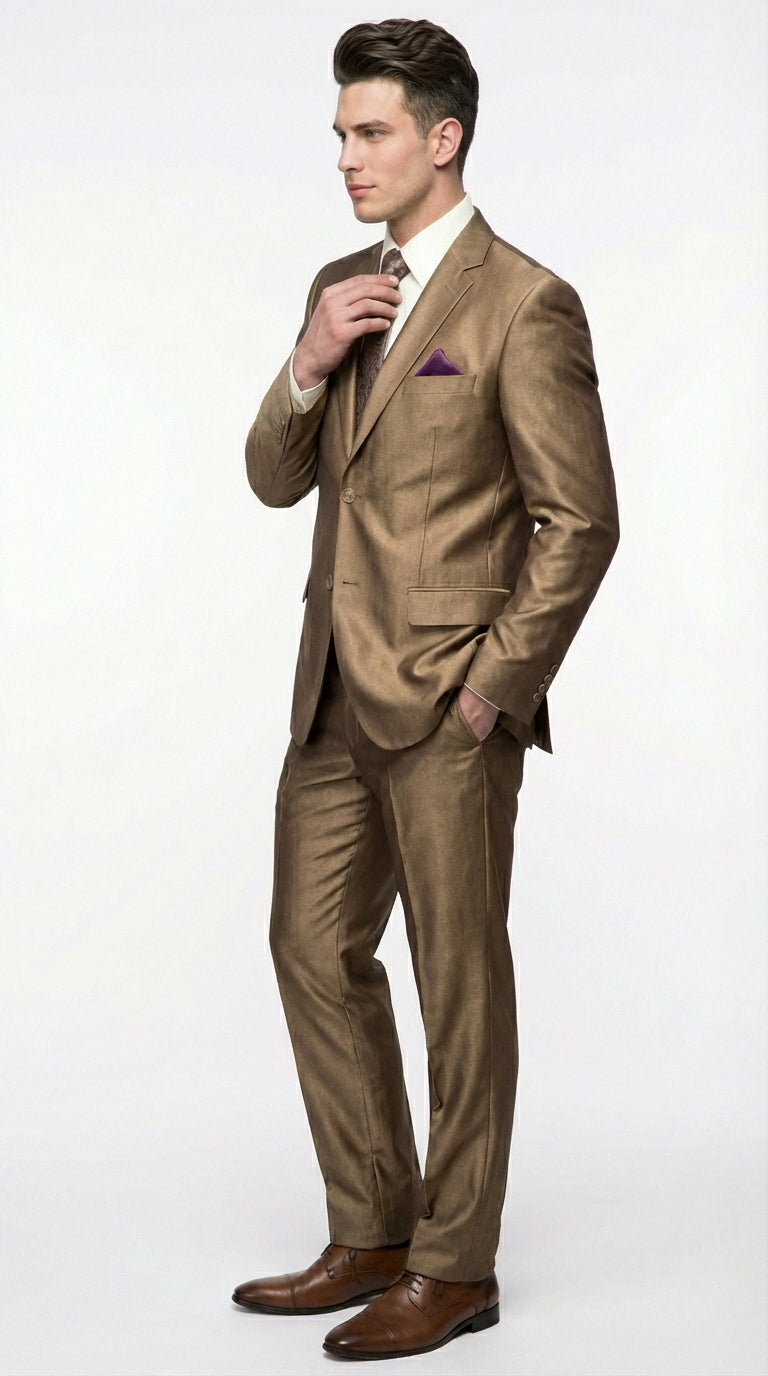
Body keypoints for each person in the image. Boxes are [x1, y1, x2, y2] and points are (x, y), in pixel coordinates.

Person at [232, 17, 619, 1361]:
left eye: (372, 132)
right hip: (333, 691)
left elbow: (581, 522)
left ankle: (456, 1268)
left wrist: (492, 692)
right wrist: (307, 361)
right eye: (341, 133)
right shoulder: (343, 283)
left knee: (458, 981)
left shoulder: (525, 302)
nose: (347, 156)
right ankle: (374, 1227)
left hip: (454, 699)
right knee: (310, 947)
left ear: (442, 139)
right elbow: (273, 478)